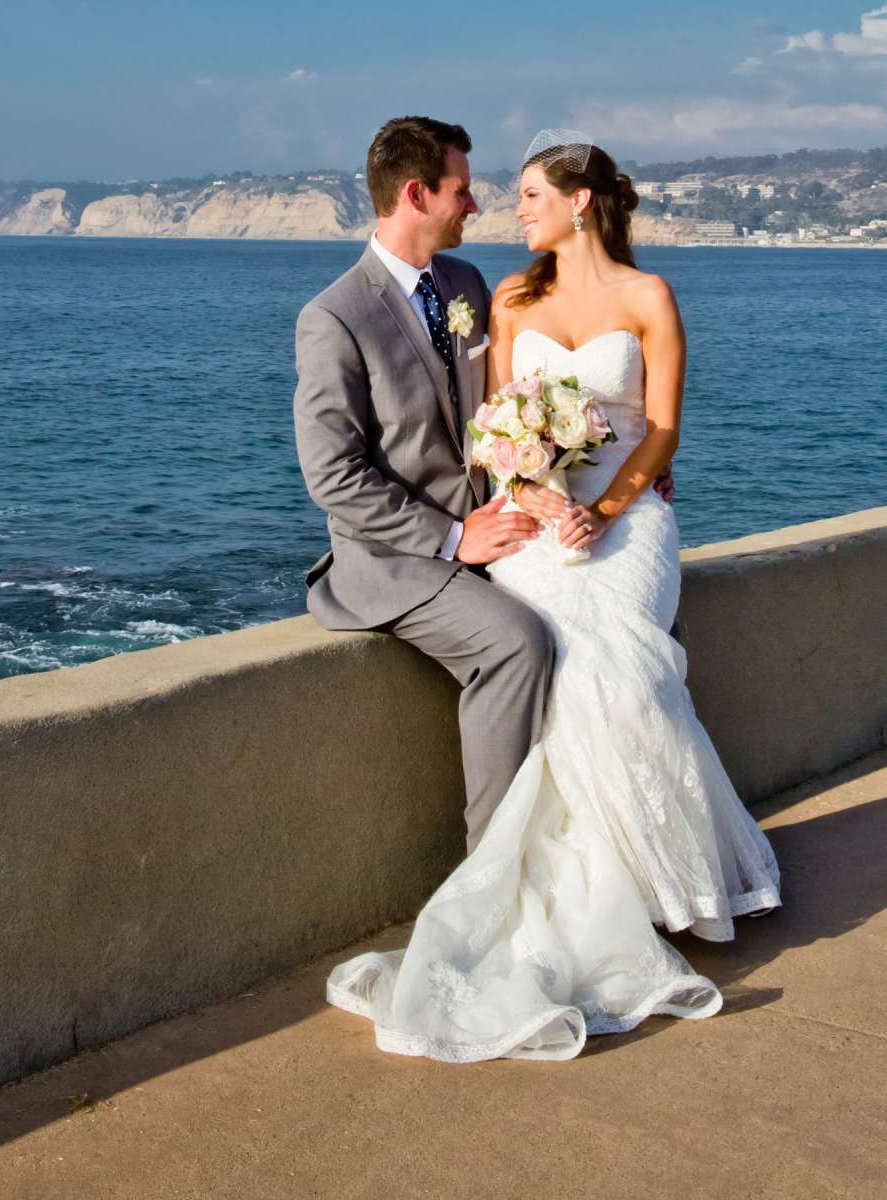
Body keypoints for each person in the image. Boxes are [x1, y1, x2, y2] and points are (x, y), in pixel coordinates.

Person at [326, 128, 781, 1063]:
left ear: (581, 201)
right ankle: (560, 894)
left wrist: (610, 506)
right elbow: (497, 430)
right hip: (530, 515)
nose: (504, 206)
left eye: (529, 193)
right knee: (556, 648)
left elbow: (660, 430)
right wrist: (536, 495)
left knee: (623, 667)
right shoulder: (504, 295)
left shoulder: (641, 295)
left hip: (624, 512)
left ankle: (662, 888)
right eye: (481, 189)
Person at [293, 115, 553, 848]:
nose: (476, 205)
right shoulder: (334, 318)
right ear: (416, 193)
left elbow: (513, 410)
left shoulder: (467, 283)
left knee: (608, 605)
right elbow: (332, 475)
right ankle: (493, 875)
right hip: (397, 564)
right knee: (517, 642)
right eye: (462, 190)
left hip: (492, 532)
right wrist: (453, 536)